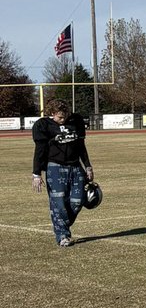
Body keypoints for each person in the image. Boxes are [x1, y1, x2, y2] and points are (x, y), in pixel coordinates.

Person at [31, 99, 94, 247]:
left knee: (78, 201)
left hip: (75, 166)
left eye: (65, 116)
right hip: (55, 167)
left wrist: (88, 166)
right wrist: (36, 173)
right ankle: (62, 235)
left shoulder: (75, 121)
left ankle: (61, 225)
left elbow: (81, 146)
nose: (63, 119)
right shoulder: (44, 125)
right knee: (58, 203)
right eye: (60, 117)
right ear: (52, 113)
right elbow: (40, 150)